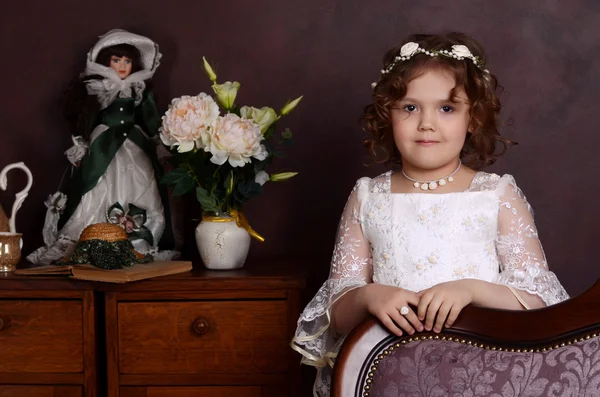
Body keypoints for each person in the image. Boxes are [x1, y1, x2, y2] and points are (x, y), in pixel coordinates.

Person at [291, 32, 569, 397]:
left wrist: (471, 290)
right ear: (387, 114)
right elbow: (339, 312)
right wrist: (370, 295)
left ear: (473, 118)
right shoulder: (367, 197)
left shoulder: (496, 195)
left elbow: (537, 298)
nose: (426, 123)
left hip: (484, 374)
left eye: (447, 108)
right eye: (409, 107)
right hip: (389, 374)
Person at [27, 29, 177, 264]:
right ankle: (95, 235)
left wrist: (160, 141)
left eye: (127, 61)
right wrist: (81, 144)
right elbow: (85, 118)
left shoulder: (139, 89)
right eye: (116, 60)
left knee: (140, 181)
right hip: (104, 142)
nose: (122, 66)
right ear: (106, 61)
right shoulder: (99, 86)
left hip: (133, 142)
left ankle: (133, 241)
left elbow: (150, 118)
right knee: (96, 183)